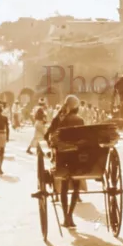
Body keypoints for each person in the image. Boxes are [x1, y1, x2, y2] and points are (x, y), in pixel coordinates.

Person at [45, 94, 87, 228]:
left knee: (64, 187)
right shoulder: (80, 120)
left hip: (63, 156)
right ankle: (70, 216)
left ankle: (65, 218)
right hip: (76, 156)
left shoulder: (59, 119)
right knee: (75, 187)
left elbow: (49, 135)